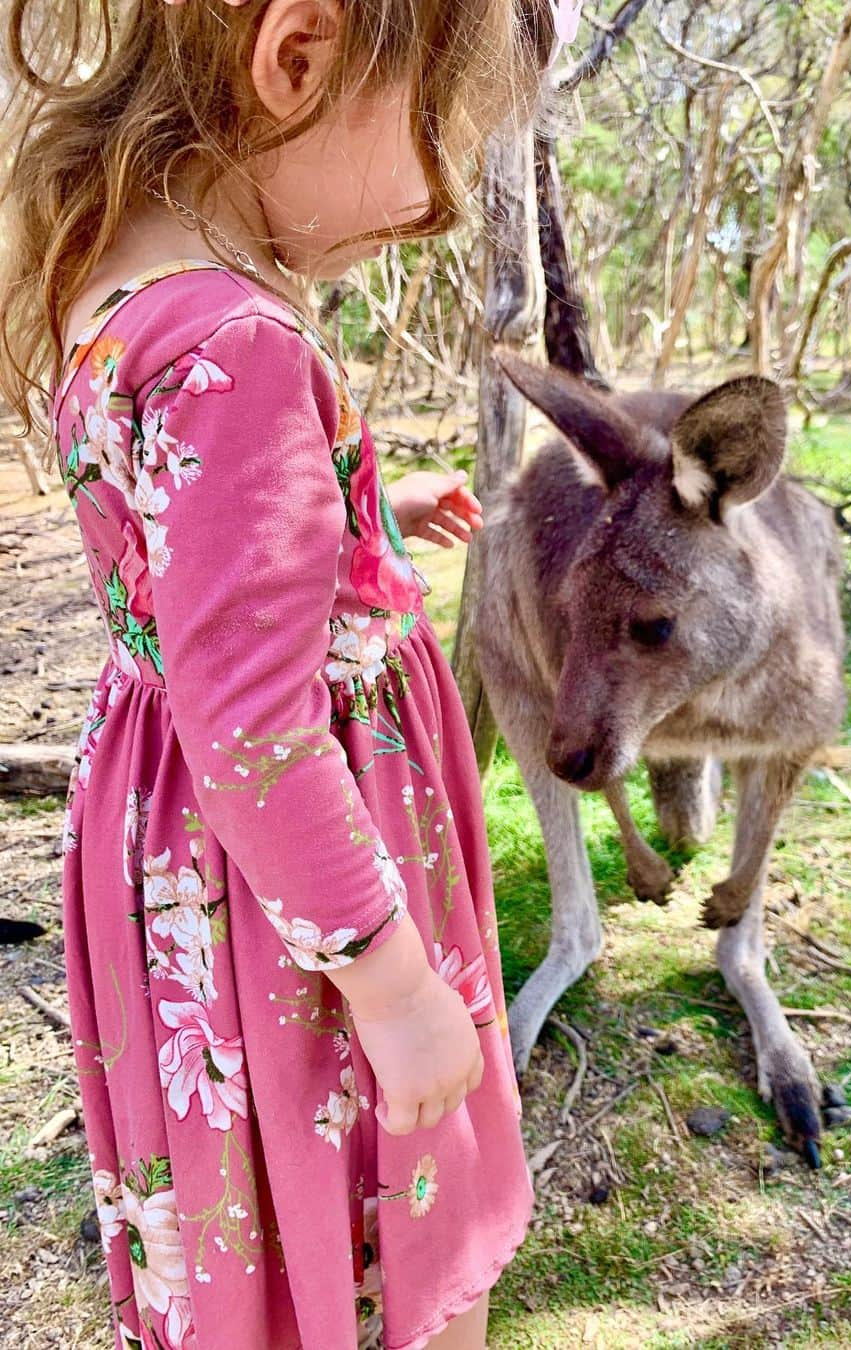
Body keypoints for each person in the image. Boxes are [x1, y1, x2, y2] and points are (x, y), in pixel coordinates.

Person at [0, 1, 562, 1346]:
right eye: (443, 139)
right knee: (382, 1163)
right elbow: (256, 730)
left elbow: (181, 542)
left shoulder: (122, 280)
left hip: (187, 840)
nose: (438, 206)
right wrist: (396, 985)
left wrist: (359, 505)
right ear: (296, 59)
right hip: (301, 886)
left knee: (251, 1182)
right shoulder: (238, 344)